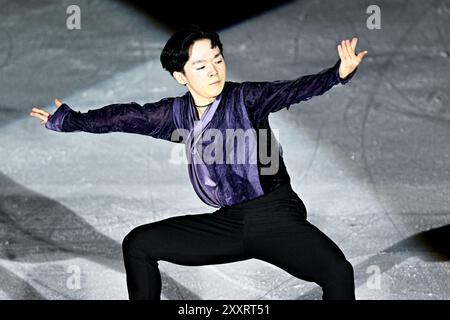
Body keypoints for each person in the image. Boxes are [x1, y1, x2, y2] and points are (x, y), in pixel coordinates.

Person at [30, 24, 368, 300]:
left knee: (338, 274)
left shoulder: (246, 98)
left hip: (275, 217)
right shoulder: (175, 115)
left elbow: (292, 89)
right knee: (139, 244)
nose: (214, 70)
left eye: (218, 60)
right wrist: (67, 120)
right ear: (181, 76)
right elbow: (124, 117)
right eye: (201, 65)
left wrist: (338, 73)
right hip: (228, 225)